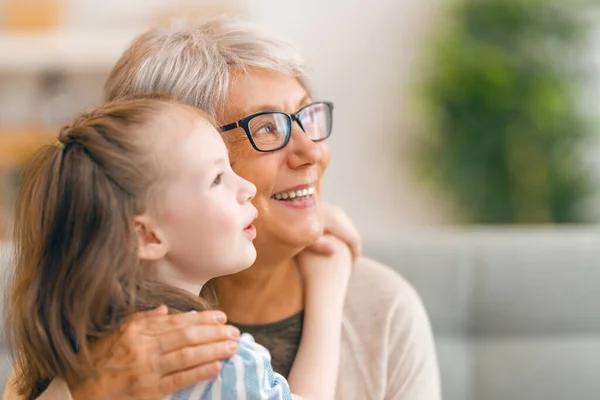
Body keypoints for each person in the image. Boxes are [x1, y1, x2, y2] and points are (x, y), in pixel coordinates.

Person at [4, 15, 441, 400]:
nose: (312, 152)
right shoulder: (90, 319)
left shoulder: (381, 308)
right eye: (266, 128)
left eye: (306, 117)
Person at [5, 96, 351, 400]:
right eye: (218, 178)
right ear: (148, 236)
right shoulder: (214, 357)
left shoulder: (64, 344)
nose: (245, 187)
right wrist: (329, 286)